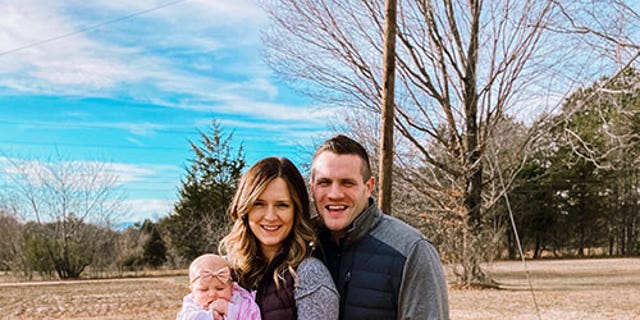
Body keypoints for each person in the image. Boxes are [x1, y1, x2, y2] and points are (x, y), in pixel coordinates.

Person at [310, 134, 450, 320]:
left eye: (347, 183)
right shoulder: (301, 244)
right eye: (324, 182)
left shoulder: (411, 250)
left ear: (369, 187)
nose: (334, 194)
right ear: (312, 187)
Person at [219, 157, 339, 320]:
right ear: (245, 209)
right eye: (259, 204)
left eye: (282, 205)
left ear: (297, 211)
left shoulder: (309, 275)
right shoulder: (225, 270)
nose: (270, 216)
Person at [176, 253, 261, 320]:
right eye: (204, 290)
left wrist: (229, 309)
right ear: (192, 291)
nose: (212, 294)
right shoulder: (192, 303)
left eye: (219, 289)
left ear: (232, 288)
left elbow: (253, 316)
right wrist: (210, 316)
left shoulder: (240, 299)